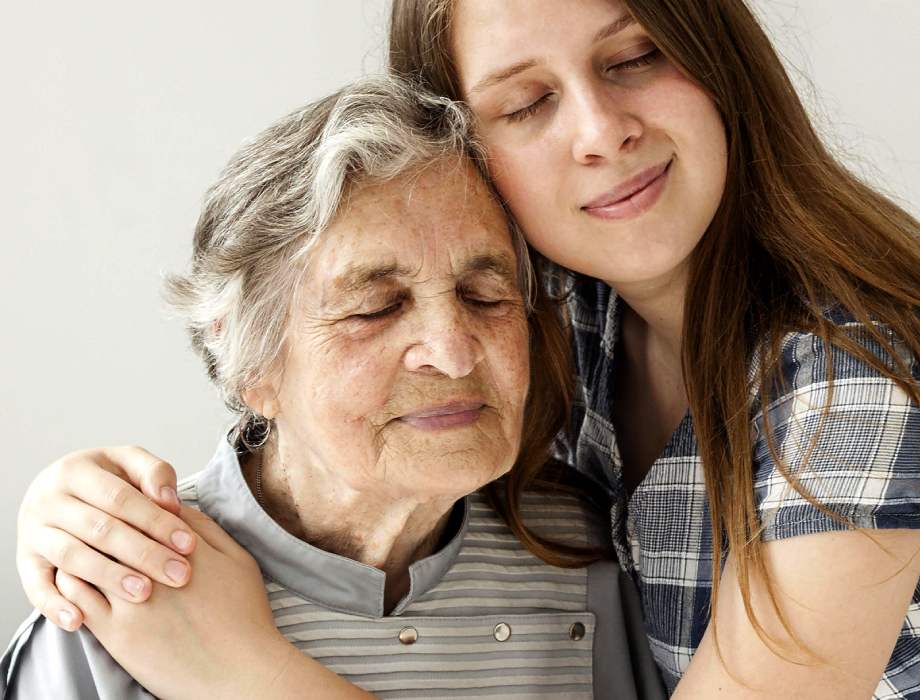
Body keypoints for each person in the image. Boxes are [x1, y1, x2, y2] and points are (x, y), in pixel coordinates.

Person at [11, 0, 920, 697]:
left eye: (636, 56)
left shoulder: (853, 385)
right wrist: (78, 509)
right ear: (468, 158)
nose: (599, 131)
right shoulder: (567, 320)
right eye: (527, 101)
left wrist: (241, 671)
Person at [1, 76, 665, 700]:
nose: (454, 351)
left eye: (484, 295)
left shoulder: (583, 551)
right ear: (252, 363)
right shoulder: (120, 586)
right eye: (375, 309)